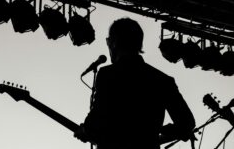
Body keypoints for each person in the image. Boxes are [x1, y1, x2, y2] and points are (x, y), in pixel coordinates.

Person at [74, 17, 196, 149]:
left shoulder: (108, 74)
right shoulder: (163, 80)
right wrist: (158, 133)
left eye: (108, 41)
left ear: (114, 43)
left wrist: (85, 130)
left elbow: (97, 118)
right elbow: (187, 124)